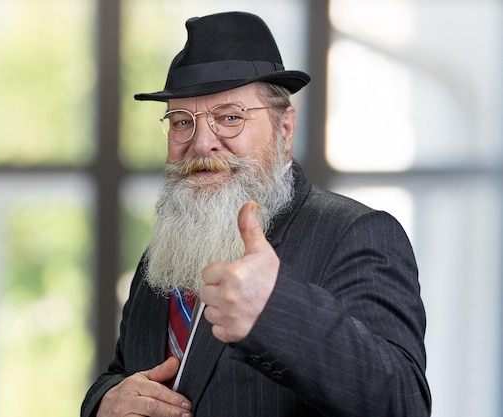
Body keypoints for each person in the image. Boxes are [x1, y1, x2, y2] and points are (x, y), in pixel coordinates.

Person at [81, 11, 431, 417]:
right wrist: (104, 402)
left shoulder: (355, 234)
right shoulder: (161, 257)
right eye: (181, 122)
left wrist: (276, 311)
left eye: (230, 117)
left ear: (284, 130)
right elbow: (122, 372)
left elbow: (402, 401)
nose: (201, 143)